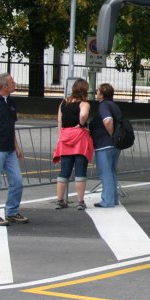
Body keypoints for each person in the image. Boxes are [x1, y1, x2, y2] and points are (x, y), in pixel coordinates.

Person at [52, 78, 93, 210]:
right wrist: (81, 124)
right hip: (80, 139)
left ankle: (59, 200)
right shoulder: (84, 104)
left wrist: (60, 136)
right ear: (85, 90)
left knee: (64, 171)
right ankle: (80, 201)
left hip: (65, 138)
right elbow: (83, 115)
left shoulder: (63, 103)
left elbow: (59, 120)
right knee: (80, 171)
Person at [0, 73, 28, 225]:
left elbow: (11, 125)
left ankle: (12, 211)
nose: (15, 83)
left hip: (9, 147)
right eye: (12, 82)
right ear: (4, 87)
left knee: (17, 180)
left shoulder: (10, 101)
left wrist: (16, 146)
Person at [89, 83, 121, 207]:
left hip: (104, 144)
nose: (96, 93)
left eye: (97, 91)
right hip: (115, 145)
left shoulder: (103, 106)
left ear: (101, 94)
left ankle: (107, 200)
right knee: (112, 171)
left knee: (105, 172)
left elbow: (108, 121)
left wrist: (111, 134)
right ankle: (113, 198)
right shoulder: (115, 105)